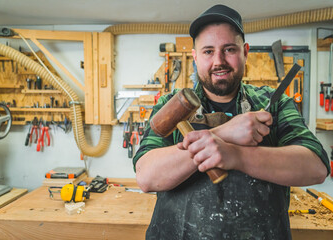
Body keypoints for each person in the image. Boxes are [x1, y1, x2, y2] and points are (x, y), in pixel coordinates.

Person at [133, 4, 330, 240]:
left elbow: (316, 167)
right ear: (195, 56)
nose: (219, 61)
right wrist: (224, 133)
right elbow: (146, 177)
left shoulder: (274, 103)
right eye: (208, 51)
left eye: (229, 49)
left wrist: (236, 156)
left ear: (245, 51)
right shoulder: (169, 104)